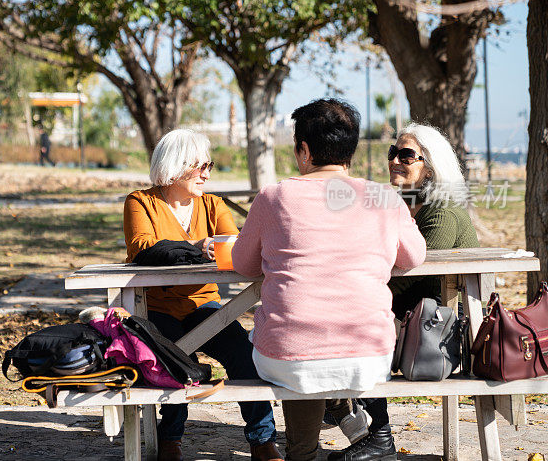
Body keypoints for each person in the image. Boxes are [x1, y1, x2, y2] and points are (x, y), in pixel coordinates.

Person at [231, 98, 427, 461]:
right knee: (320, 356)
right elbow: (414, 256)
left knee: (299, 354)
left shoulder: (273, 197)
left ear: (303, 150)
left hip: (288, 355)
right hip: (369, 355)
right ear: (349, 151)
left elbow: (243, 264)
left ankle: (303, 452)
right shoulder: (383, 198)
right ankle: (359, 434)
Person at [123, 129, 281, 461]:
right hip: (158, 308)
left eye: (209, 165)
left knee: (244, 355)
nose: (206, 173)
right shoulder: (140, 202)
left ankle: (263, 440)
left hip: (204, 304)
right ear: (175, 165)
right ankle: (170, 440)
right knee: (180, 362)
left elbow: (236, 247)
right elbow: (143, 249)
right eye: (199, 166)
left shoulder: (213, 204)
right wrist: (196, 248)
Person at [329, 123, 480, 460]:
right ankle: (344, 412)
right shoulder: (394, 203)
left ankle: (376, 436)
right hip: (406, 315)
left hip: (442, 330)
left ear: (430, 166)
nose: (395, 159)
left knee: (353, 331)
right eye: (392, 153)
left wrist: (352, 292)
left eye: (407, 154)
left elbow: (409, 275)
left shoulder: (441, 213)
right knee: (325, 328)